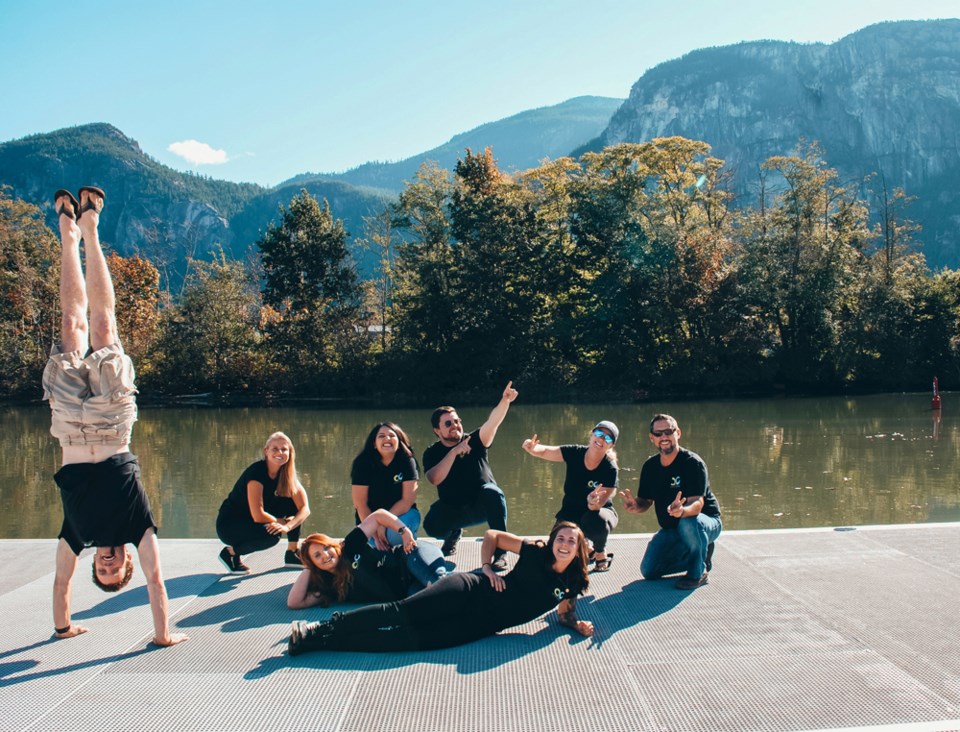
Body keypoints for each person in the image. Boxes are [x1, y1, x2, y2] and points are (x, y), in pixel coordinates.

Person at [45, 187, 187, 646]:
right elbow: (157, 584)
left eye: (101, 571)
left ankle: (67, 234)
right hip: (111, 422)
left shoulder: (76, 536)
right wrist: (163, 635)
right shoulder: (138, 527)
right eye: (115, 570)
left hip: (68, 425)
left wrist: (64, 627)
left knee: (71, 325)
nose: (106, 565)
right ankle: (91, 228)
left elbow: (62, 585)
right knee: (102, 327)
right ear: (126, 560)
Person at [287, 521, 594, 655]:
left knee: (404, 642)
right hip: (471, 589)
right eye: (561, 538)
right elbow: (493, 536)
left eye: (571, 540)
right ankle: (319, 630)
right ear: (553, 540)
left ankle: (320, 643)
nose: (564, 544)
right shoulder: (535, 552)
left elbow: (564, 613)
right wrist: (487, 567)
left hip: (478, 625)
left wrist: (574, 624)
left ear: (579, 548)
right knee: (400, 613)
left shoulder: (573, 581)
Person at [421, 382, 518, 568]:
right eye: (448, 423)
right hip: (454, 508)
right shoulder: (432, 453)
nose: (455, 426)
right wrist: (454, 452)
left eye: (457, 421)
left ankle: (501, 552)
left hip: (482, 506)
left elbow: (493, 422)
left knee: (493, 492)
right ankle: (453, 535)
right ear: (437, 431)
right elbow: (434, 479)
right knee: (431, 526)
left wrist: (505, 401)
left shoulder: (475, 440)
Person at [620, 413, 722, 590]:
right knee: (649, 570)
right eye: (658, 434)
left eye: (668, 431)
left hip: (704, 523)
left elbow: (698, 504)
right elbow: (646, 501)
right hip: (672, 528)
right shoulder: (650, 466)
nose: (664, 437)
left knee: (687, 523)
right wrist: (636, 506)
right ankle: (701, 553)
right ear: (652, 438)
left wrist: (682, 511)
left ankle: (698, 572)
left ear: (678, 433)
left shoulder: (693, 463)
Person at [286, 509, 448, 609]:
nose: (326, 555)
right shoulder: (329, 586)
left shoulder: (349, 547)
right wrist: (308, 566)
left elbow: (378, 516)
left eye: (327, 547)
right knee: (432, 603)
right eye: (317, 556)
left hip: (411, 556)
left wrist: (404, 531)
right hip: (405, 591)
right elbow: (294, 602)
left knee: (439, 584)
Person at [521, 420, 620, 572]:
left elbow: (598, 505)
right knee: (553, 553)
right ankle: (588, 551)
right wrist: (532, 448)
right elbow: (546, 451)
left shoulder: (610, 468)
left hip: (597, 513)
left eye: (607, 438)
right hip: (570, 513)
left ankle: (600, 552)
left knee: (594, 519)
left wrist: (592, 501)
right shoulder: (574, 452)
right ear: (592, 434)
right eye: (599, 433)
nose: (601, 439)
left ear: (611, 445)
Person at [216, 432, 311, 573]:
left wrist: (288, 526)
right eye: (275, 449)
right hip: (231, 524)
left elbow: (304, 509)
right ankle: (231, 553)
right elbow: (258, 515)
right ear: (266, 451)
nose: (280, 452)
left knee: (292, 505)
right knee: (272, 536)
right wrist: (281, 522)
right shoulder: (256, 473)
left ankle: (292, 553)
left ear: (290, 453)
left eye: (284, 449)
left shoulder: (286, 474)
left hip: (254, 519)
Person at [351, 422, 419, 548]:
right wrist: (376, 535)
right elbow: (360, 504)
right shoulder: (362, 463)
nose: (387, 439)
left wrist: (384, 522)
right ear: (374, 444)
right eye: (381, 436)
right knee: (374, 546)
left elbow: (407, 500)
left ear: (399, 442)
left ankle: (407, 549)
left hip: (402, 515)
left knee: (396, 533)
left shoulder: (407, 461)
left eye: (392, 436)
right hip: (369, 520)